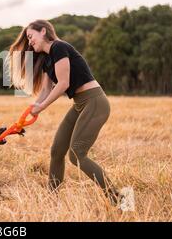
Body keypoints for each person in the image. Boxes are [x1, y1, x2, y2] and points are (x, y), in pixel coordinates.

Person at [7, 19, 120, 204]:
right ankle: (52, 201)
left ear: (43, 31)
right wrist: (31, 110)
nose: (29, 42)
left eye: (31, 36)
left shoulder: (59, 47)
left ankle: (120, 199)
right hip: (79, 104)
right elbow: (45, 90)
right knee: (57, 150)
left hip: (95, 102)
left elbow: (63, 83)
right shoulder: (47, 59)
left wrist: (42, 107)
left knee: (77, 155)